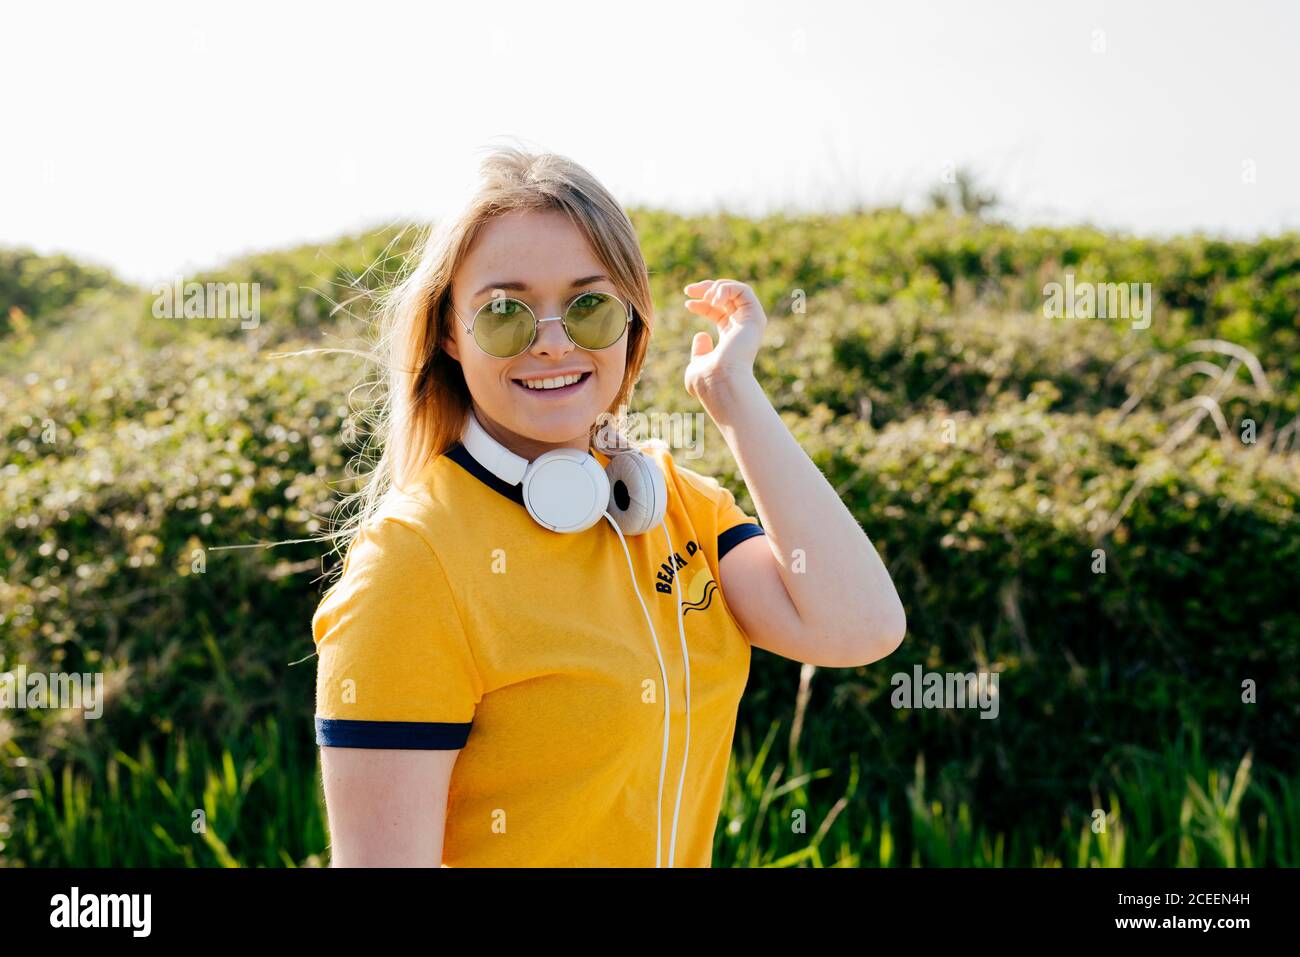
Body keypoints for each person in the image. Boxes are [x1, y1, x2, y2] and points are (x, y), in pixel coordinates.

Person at [311, 145, 906, 867]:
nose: (553, 342)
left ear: (631, 319)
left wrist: (735, 399)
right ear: (447, 332)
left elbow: (861, 626)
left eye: (589, 305)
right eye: (505, 312)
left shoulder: (679, 506)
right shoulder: (412, 563)